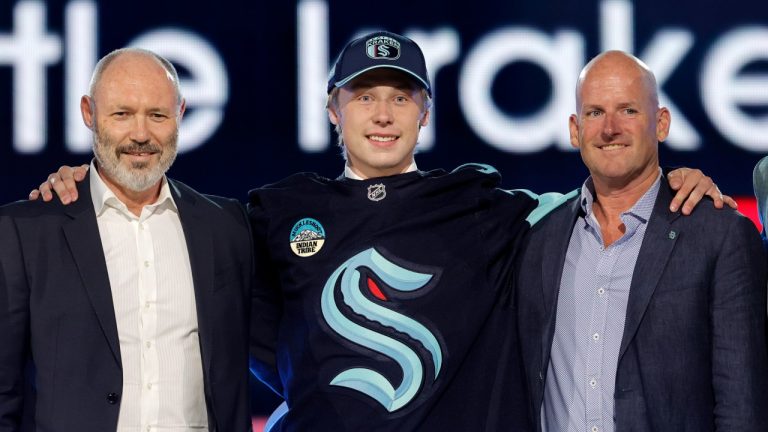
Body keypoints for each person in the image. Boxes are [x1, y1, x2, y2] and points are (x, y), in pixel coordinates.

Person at [34, 34, 727, 431]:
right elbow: (166, 229)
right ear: (332, 109)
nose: (383, 114)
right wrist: (84, 180)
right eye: (363, 96)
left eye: (401, 96)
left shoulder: (485, 205)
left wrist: (672, 190)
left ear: (425, 111)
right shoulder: (273, 213)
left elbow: (604, 202)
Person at [0, 48, 254, 431]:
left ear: (181, 114)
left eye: (157, 115)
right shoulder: (28, 231)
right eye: (122, 114)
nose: (140, 134)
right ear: (89, 113)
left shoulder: (226, 227)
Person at [515, 50, 768, 432]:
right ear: (574, 129)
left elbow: (742, 406)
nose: (610, 128)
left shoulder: (720, 235)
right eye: (595, 112)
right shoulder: (538, 241)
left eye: (628, 111)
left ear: (661, 123)